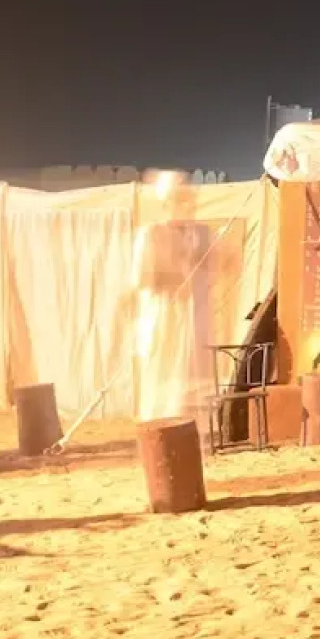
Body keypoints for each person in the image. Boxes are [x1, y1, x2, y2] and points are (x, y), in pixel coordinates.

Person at [132, 172, 215, 445]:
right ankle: (160, 430)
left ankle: (194, 429)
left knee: (193, 370)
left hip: (194, 316)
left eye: (187, 199)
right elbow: (143, 279)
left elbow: (222, 265)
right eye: (179, 199)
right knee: (163, 371)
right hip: (164, 315)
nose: (185, 205)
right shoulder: (151, 234)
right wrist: (173, 268)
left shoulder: (202, 234)